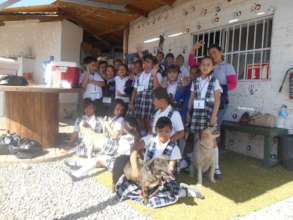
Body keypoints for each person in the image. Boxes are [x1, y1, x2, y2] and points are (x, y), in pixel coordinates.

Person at [116, 117, 204, 208]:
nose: (163, 134)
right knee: (125, 187)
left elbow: (171, 167)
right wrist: (135, 169)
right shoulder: (150, 139)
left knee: (154, 200)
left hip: (162, 178)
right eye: (160, 131)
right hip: (146, 174)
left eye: (167, 131)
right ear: (156, 130)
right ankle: (149, 191)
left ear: (171, 131)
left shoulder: (174, 148)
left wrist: (164, 176)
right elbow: (134, 149)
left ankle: (186, 192)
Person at [65, 99, 127, 179]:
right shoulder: (108, 118)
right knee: (97, 160)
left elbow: (114, 136)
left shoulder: (120, 120)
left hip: (112, 146)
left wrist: (107, 125)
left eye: (121, 110)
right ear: (113, 107)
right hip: (107, 145)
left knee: (97, 160)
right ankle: (75, 168)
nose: (119, 112)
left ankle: (76, 167)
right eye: (117, 109)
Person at [188, 56, 222, 178]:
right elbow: (192, 97)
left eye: (208, 64)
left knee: (211, 141)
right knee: (198, 139)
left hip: (208, 113)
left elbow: (217, 100)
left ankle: (216, 168)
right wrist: (189, 111)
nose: (205, 66)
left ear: (212, 67)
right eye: (203, 64)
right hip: (197, 113)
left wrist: (214, 116)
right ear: (199, 66)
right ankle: (198, 165)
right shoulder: (195, 81)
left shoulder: (214, 81)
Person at [130, 54, 160, 135]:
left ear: (153, 64)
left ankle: (149, 135)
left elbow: (157, 89)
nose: (145, 64)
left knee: (148, 120)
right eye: (144, 62)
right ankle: (143, 134)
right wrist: (132, 102)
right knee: (139, 118)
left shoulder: (156, 74)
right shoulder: (139, 75)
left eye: (148, 62)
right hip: (139, 100)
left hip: (150, 101)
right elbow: (135, 90)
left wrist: (154, 75)